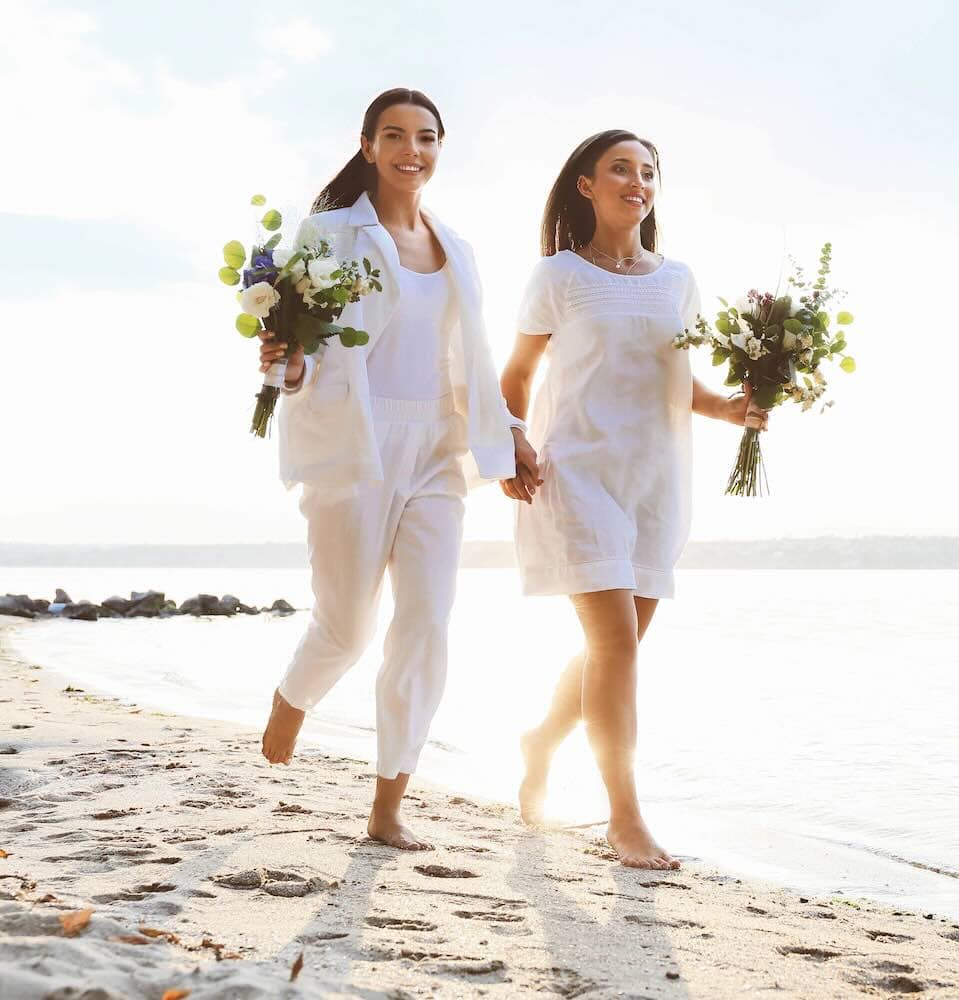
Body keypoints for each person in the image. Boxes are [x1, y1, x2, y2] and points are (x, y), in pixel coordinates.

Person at [256, 87, 538, 850]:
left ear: (440, 148)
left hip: (439, 454)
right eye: (395, 135)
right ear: (368, 144)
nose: (412, 149)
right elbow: (301, 352)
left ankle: (388, 805)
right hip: (357, 443)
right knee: (347, 626)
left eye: (426, 137)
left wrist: (510, 431)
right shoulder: (329, 234)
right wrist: (282, 368)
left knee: (426, 624)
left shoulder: (460, 250)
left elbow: (472, 362)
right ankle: (295, 694)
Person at [499, 129, 766, 869]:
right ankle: (626, 820)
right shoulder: (557, 274)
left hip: (656, 479)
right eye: (621, 168)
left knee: (611, 650)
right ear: (586, 185)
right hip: (577, 472)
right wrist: (510, 441)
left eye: (648, 171)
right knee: (616, 646)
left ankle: (542, 739)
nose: (637, 182)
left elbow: (679, 385)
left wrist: (735, 410)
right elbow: (515, 377)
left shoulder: (677, 279)